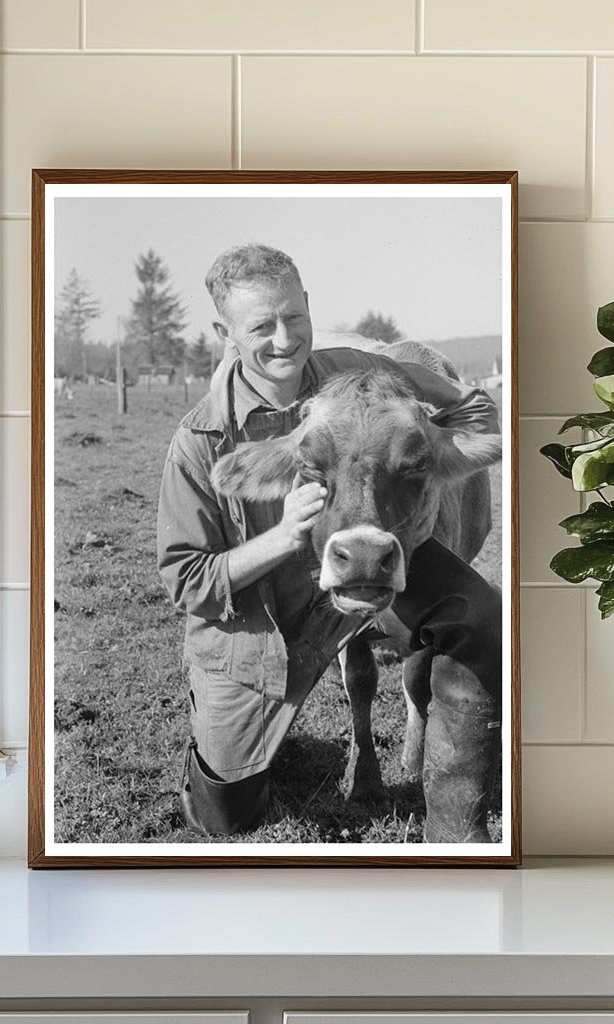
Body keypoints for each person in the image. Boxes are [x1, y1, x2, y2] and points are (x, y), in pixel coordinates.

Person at [156, 243, 501, 838]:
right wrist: (284, 536)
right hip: (261, 621)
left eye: (294, 317)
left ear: (309, 306)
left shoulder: (352, 371)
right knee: (226, 817)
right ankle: (231, 746)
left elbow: (457, 399)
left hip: (367, 550)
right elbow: (185, 580)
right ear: (225, 332)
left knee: (481, 617)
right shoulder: (200, 441)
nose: (284, 339)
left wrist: (444, 412)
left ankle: (453, 833)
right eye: (261, 326)